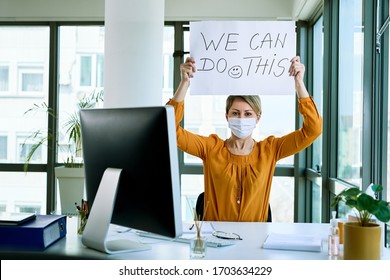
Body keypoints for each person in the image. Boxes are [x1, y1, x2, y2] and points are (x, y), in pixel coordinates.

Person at [167, 56, 322, 222]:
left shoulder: (270, 150)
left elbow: (313, 130)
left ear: (258, 118)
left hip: (255, 241)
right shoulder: (210, 148)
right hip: (215, 239)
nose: (241, 118)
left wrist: (299, 84)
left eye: (248, 114)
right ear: (227, 117)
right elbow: (169, 129)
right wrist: (184, 84)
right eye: (235, 113)